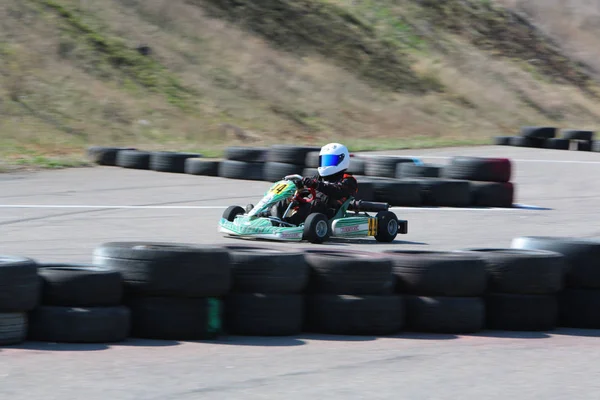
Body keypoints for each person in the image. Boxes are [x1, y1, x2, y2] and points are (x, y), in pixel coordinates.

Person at [273, 142, 358, 225]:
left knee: (312, 205)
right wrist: (299, 186)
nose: (326, 164)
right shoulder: (319, 177)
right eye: (324, 160)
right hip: (310, 206)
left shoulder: (348, 180)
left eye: (330, 160)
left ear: (342, 159)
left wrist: (316, 184)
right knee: (284, 200)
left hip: (328, 212)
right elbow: (307, 188)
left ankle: (288, 223)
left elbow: (337, 191)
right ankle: (270, 217)